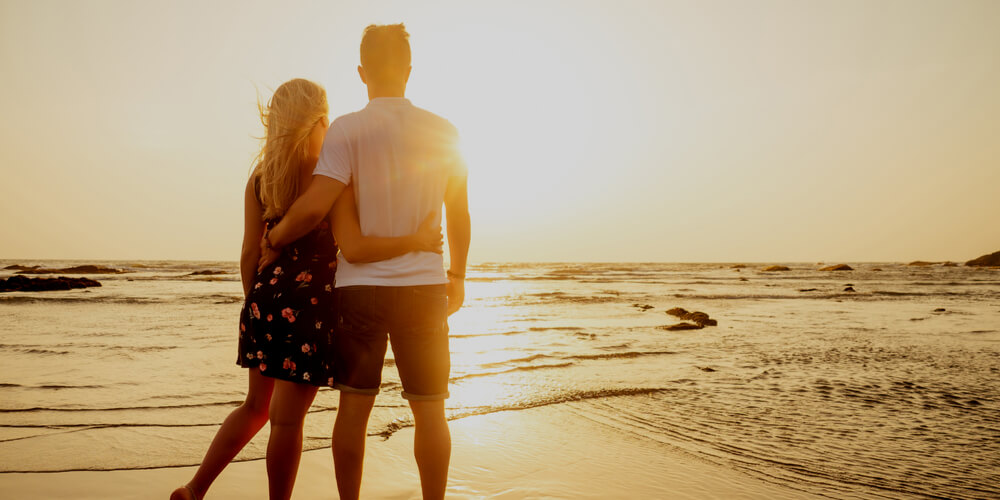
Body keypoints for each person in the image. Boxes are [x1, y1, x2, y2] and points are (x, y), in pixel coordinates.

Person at [170, 78, 443, 500]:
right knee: (287, 420)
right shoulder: (330, 174)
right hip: (309, 305)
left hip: (264, 301)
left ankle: (195, 487)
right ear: (318, 121)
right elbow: (352, 242)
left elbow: (248, 253)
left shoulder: (262, 178)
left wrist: (256, 309)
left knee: (255, 408)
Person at [258, 24, 471, 500]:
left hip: (359, 292)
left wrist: (274, 237)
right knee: (431, 412)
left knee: (353, 411)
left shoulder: (346, 130)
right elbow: (459, 211)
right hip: (423, 288)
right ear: (410, 70)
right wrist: (457, 274)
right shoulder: (445, 131)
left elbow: (316, 205)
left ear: (361, 72)